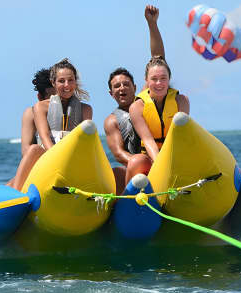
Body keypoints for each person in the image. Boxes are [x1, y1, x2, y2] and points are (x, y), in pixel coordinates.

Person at [104, 5, 164, 194]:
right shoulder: (112, 121)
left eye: (126, 84)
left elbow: (158, 59)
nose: (122, 88)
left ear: (136, 87)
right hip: (138, 165)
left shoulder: (146, 99)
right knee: (115, 172)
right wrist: (140, 161)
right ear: (111, 93)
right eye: (117, 86)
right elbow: (118, 153)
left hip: (161, 159)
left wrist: (152, 24)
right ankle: (125, 207)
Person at [10, 58, 92, 191]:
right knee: (34, 149)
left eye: (70, 80)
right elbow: (44, 136)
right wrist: (56, 160)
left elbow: (85, 141)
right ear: (53, 83)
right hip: (47, 158)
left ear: (75, 82)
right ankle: (16, 194)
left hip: (73, 159)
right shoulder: (40, 107)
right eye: (61, 81)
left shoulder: (86, 109)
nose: (67, 85)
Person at [128, 56, 190, 182]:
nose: (159, 83)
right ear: (146, 80)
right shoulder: (137, 107)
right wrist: (161, 167)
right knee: (136, 161)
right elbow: (148, 140)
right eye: (154, 79)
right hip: (151, 159)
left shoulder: (181, 101)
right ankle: (130, 197)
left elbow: (181, 137)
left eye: (163, 78)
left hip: (175, 155)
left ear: (169, 79)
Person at [21, 68, 55, 156]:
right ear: (40, 97)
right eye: (52, 99)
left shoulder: (73, 110)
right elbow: (25, 150)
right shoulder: (31, 113)